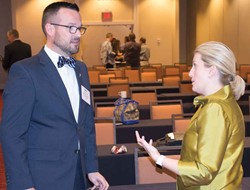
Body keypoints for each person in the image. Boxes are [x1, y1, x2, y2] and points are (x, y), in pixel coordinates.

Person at [0, 2, 109, 190]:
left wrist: (91, 168)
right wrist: (23, 185)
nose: (77, 34)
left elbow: (86, 124)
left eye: (79, 28)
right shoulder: (25, 71)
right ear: (49, 29)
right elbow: (12, 134)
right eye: (71, 28)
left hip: (78, 176)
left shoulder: (81, 69)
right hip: (42, 179)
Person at [135, 41, 245, 189]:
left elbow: (204, 171)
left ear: (211, 70)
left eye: (195, 65)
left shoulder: (215, 109)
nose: (190, 73)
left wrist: (158, 158)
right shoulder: (226, 102)